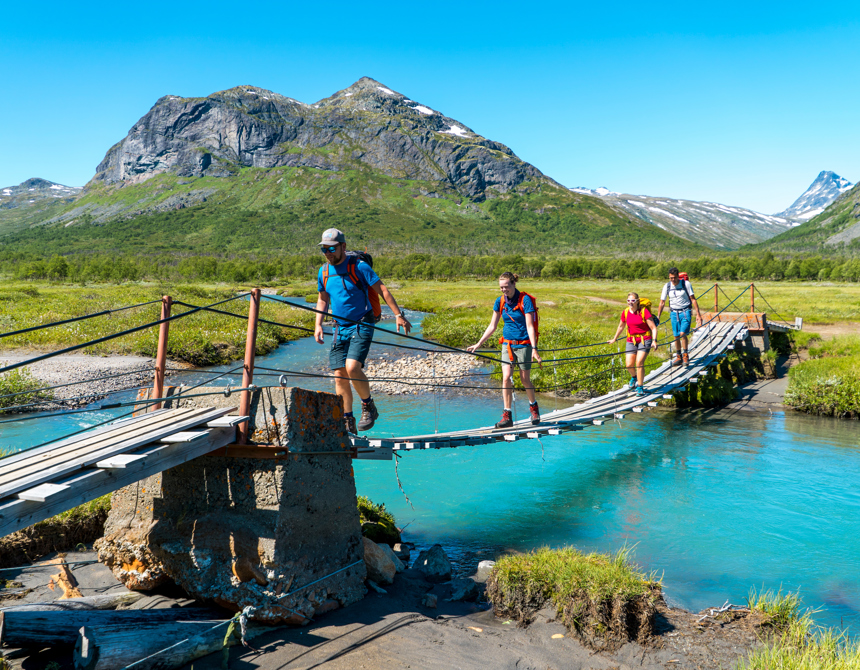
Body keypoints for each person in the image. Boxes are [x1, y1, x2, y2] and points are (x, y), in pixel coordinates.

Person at [314, 228, 412, 434]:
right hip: (339, 326)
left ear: (343, 247)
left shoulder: (359, 266)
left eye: (332, 248)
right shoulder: (323, 272)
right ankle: (347, 419)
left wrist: (398, 314)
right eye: (324, 249)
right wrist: (318, 324)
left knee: (352, 368)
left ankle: (368, 406)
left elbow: (382, 289)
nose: (328, 253)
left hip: (362, 321)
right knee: (339, 375)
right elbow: (323, 299)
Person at [467, 272, 543, 428]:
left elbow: (530, 326)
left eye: (506, 287)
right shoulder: (500, 301)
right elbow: (492, 326)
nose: (504, 290)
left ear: (514, 284)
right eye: (501, 287)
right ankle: (507, 415)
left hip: (524, 344)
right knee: (506, 378)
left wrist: (534, 349)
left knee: (524, 379)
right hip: (507, 344)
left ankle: (534, 408)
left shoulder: (525, 300)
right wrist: (478, 344)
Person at [607, 292, 658, 396]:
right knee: (629, 364)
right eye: (628, 300)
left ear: (637, 301)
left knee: (639, 363)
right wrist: (614, 338)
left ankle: (640, 386)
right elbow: (621, 326)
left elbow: (653, 327)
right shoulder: (625, 312)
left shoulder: (644, 311)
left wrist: (654, 340)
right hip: (631, 339)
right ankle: (634, 377)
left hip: (645, 339)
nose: (630, 302)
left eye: (633, 300)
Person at [656, 267, 703, 367]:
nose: (673, 280)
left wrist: (698, 314)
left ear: (678, 276)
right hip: (674, 313)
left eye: (674, 278)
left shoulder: (686, 284)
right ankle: (678, 356)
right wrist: (658, 316)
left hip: (685, 311)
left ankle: (685, 355)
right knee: (676, 335)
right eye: (670, 278)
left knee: (682, 333)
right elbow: (662, 302)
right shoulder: (667, 286)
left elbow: (693, 299)